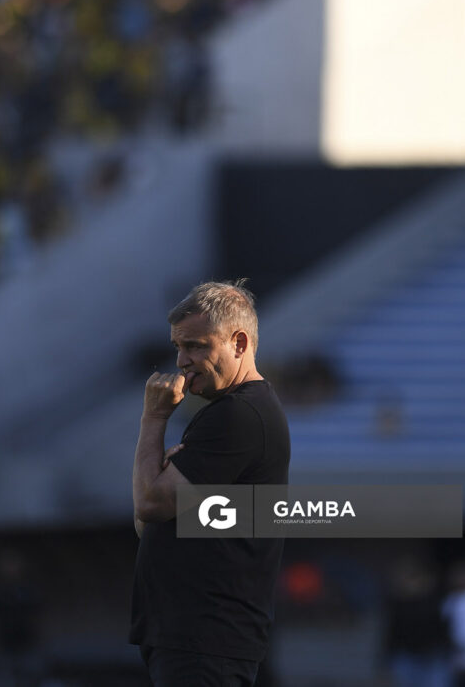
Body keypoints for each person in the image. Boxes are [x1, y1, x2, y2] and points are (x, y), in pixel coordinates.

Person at [130, 280, 290, 687]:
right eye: (178, 347)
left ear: (239, 343)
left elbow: (150, 504)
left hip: (205, 638)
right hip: (199, 638)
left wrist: (153, 420)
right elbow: (148, 520)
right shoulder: (231, 411)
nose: (182, 360)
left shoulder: (238, 415)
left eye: (197, 345)